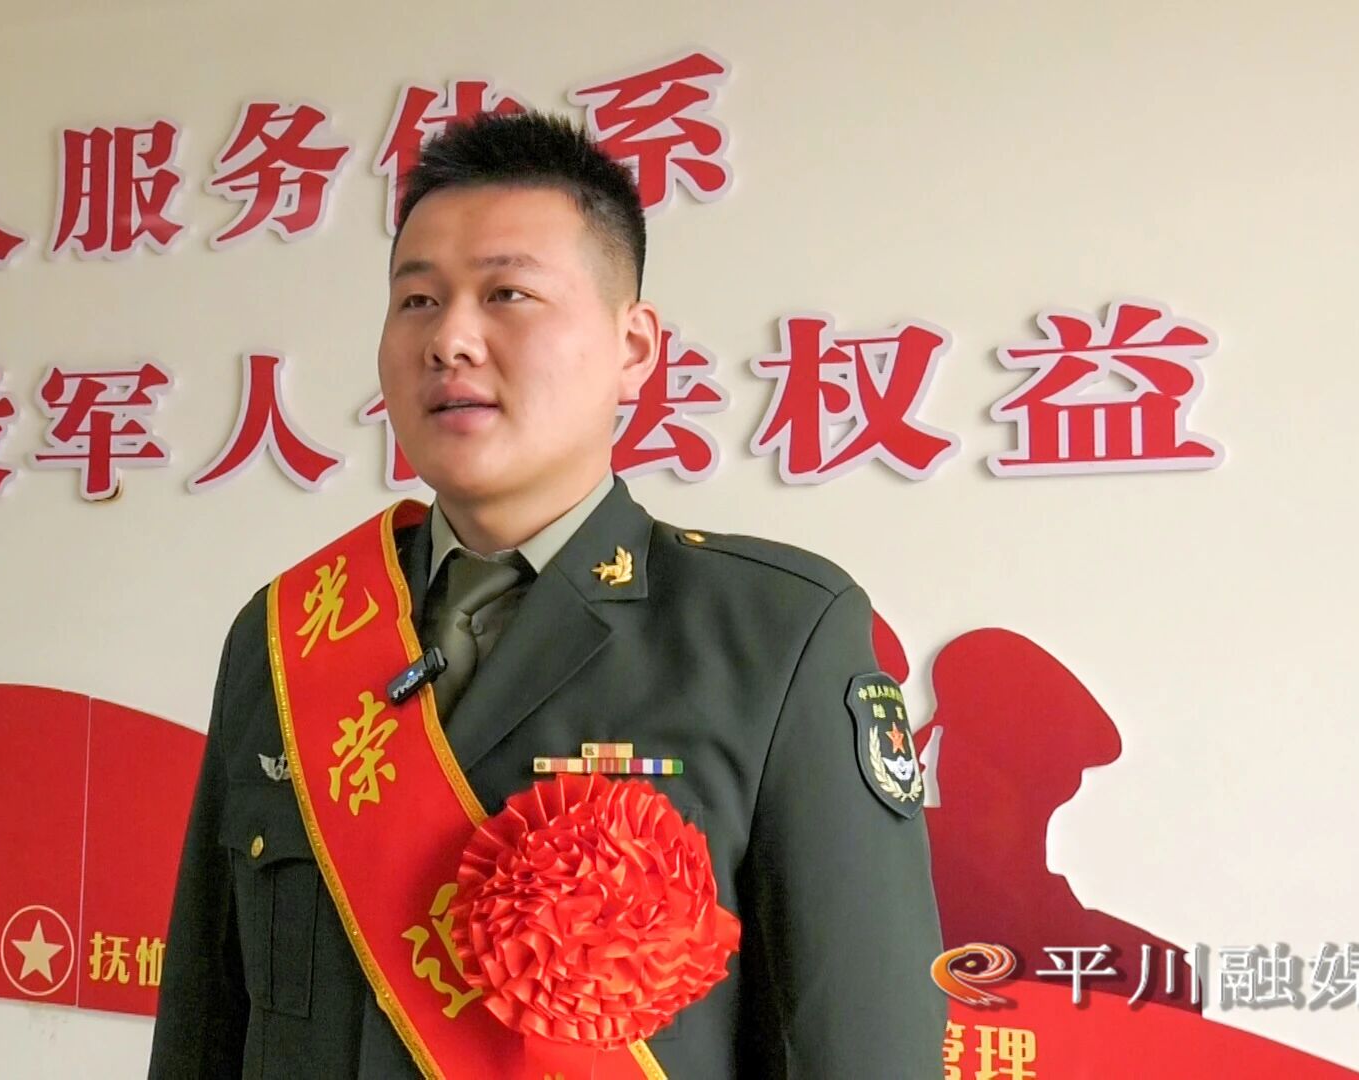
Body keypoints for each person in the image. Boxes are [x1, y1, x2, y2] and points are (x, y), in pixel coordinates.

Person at [148, 110, 945, 1078]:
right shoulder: (289, 633)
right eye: (417, 300)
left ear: (634, 346)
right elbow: (205, 1023)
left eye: (508, 294)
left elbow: (861, 1044)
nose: (450, 339)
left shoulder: (775, 636)